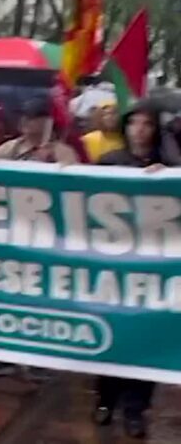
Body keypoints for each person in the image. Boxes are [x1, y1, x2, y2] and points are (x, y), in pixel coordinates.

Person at [91, 101, 175, 439]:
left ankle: (136, 410)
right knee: (113, 337)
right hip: (113, 270)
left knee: (146, 341)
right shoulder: (110, 162)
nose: (139, 130)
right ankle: (105, 400)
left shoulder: (170, 166)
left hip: (153, 272)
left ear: (156, 129)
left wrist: (167, 178)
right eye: (133, 123)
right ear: (125, 128)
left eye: (146, 124)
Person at [0, 98, 75, 381]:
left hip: (46, 238)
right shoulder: (13, 148)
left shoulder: (61, 150)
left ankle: (38, 359)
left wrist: (53, 163)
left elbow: (77, 179)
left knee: (41, 298)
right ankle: (4, 356)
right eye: (27, 118)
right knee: (8, 293)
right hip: (13, 236)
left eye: (36, 119)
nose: (29, 124)